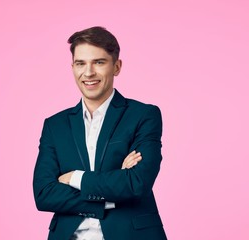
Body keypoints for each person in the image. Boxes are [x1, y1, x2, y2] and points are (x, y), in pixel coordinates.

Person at [33, 26, 167, 240]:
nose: (88, 73)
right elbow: (44, 194)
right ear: (72, 67)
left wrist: (75, 177)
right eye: (81, 63)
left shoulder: (144, 115)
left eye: (99, 62)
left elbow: (136, 183)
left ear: (117, 66)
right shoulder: (54, 125)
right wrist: (112, 192)